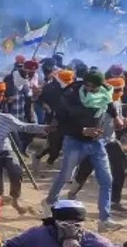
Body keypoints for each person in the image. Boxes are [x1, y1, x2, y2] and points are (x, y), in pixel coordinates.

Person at [44, 71, 125, 232]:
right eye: (88, 86)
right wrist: (82, 130)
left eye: (94, 87)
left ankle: (104, 220)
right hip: (74, 141)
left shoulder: (105, 92)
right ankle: (49, 202)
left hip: (96, 142)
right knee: (66, 176)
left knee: (106, 180)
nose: (90, 89)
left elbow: (108, 103)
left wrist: (116, 117)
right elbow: (61, 122)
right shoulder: (70, 95)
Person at [68, 75, 125, 210]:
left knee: (119, 170)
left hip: (111, 140)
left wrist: (121, 121)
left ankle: (114, 201)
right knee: (85, 170)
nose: (118, 92)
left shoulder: (117, 102)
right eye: (116, 90)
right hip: (95, 141)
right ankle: (72, 193)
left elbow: (117, 120)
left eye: (120, 90)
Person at [33, 68, 76, 171]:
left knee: (62, 142)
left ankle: (50, 160)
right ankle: (39, 157)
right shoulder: (49, 87)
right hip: (53, 119)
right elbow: (39, 99)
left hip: (67, 119)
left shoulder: (72, 88)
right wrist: (44, 105)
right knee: (55, 143)